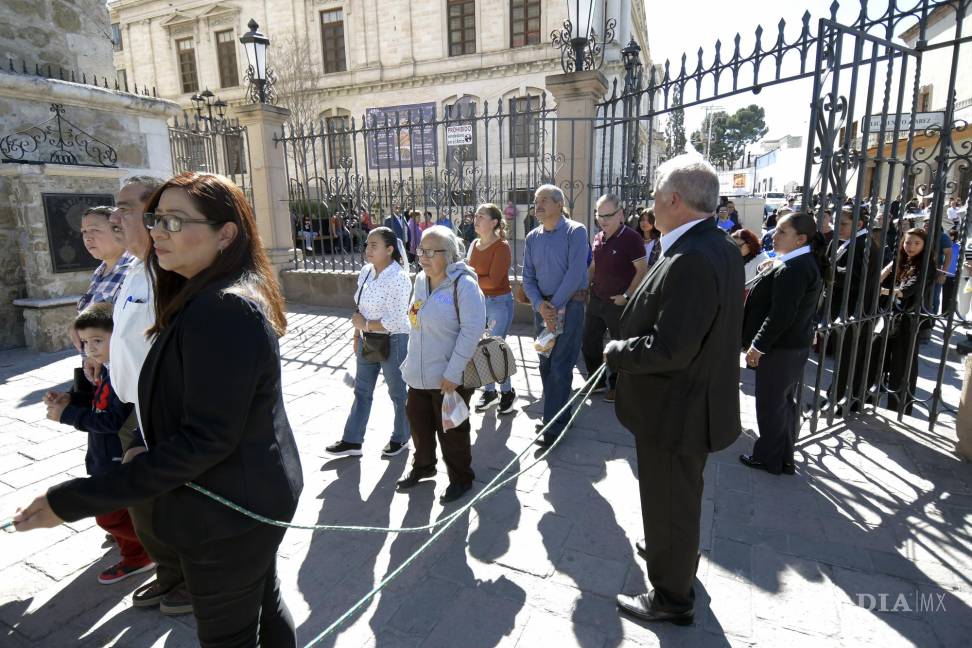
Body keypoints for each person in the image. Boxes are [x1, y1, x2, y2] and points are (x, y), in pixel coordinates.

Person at [14, 172, 304, 647]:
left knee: (229, 633)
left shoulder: (223, 308)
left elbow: (206, 439)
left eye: (173, 220)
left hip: (228, 511)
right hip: (245, 498)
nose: (157, 231)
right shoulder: (196, 292)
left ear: (225, 233)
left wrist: (72, 501)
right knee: (263, 606)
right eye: (154, 219)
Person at [607, 154, 743, 626]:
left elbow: (671, 348)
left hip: (677, 410)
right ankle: (671, 554)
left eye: (655, 196)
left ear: (674, 199)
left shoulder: (692, 256)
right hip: (689, 403)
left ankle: (671, 597)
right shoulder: (716, 245)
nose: (651, 205)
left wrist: (617, 352)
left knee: (672, 500)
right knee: (675, 498)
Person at [106, 176, 193, 616]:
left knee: (174, 503)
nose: (114, 217)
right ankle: (169, 572)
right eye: (113, 208)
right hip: (133, 411)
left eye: (125, 208)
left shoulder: (171, 275)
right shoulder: (135, 268)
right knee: (145, 505)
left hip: (165, 416)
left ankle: (190, 581)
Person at [44, 302, 153, 584]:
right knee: (119, 515)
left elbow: (112, 420)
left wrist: (68, 416)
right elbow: (97, 405)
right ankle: (138, 552)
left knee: (109, 517)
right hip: (102, 456)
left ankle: (154, 549)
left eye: (97, 340)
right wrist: (71, 399)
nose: (90, 348)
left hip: (118, 459)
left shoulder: (121, 373)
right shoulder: (104, 368)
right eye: (84, 343)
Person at [398, 225, 486, 503]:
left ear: (448, 255)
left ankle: (461, 478)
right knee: (419, 426)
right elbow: (415, 318)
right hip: (419, 376)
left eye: (429, 251)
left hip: (449, 378)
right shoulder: (421, 281)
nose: (421, 256)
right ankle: (423, 467)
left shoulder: (464, 285)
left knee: (452, 433)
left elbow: (471, 331)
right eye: (420, 250)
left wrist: (453, 373)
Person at [739, 213, 826, 475]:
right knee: (781, 404)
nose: (773, 236)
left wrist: (757, 346)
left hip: (781, 348)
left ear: (800, 239)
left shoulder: (795, 268)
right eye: (775, 230)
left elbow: (781, 316)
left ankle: (769, 459)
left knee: (771, 406)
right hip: (790, 347)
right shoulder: (795, 261)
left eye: (781, 232)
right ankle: (782, 457)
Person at [326, 227, 413, 458]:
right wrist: (357, 334)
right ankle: (352, 440)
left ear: (390, 249)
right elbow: (360, 307)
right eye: (367, 244)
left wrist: (364, 325)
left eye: (374, 245)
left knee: (398, 392)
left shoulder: (399, 278)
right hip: (367, 339)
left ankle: (402, 436)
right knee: (362, 391)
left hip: (393, 340)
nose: (368, 249)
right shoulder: (365, 271)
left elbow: (395, 320)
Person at [521, 185, 589, 446]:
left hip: (569, 307)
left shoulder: (576, 231)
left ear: (560, 204)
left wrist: (555, 307)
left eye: (545, 200)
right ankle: (560, 414)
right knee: (546, 364)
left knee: (560, 365)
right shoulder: (532, 237)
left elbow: (575, 273)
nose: (538, 205)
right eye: (536, 200)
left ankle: (552, 425)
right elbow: (528, 277)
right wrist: (540, 305)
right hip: (543, 311)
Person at [582, 194, 648, 402]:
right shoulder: (598, 237)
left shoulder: (632, 238)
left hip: (619, 303)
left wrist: (627, 296)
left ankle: (618, 385)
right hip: (596, 299)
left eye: (608, 215)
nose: (603, 220)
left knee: (619, 345)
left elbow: (642, 270)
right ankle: (597, 381)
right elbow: (593, 267)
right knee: (588, 341)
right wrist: (584, 287)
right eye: (599, 215)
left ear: (620, 214)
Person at [819, 205, 881, 413]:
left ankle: (839, 400)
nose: (838, 227)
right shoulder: (849, 241)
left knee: (849, 357)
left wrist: (829, 275)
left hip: (856, 310)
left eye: (843, 224)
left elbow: (855, 281)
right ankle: (845, 397)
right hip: (844, 309)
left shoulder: (864, 245)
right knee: (846, 356)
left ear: (859, 224)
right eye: (836, 222)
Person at [469, 203, 517, 415]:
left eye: (481, 216)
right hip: (479, 303)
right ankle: (490, 393)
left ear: (494, 222)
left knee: (494, 349)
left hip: (499, 303)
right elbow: (478, 279)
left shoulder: (502, 247)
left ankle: (506, 392)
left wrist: (470, 278)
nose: (476, 219)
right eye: (476, 216)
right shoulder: (475, 244)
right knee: (481, 349)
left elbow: (494, 281)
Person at [880, 228, 935, 414]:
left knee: (903, 366)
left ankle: (899, 408)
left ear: (925, 246)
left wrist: (881, 290)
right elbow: (882, 275)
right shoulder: (903, 260)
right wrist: (890, 267)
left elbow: (907, 291)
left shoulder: (927, 265)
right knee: (879, 359)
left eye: (916, 243)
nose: (910, 246)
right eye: (907, 242)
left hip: (910, 320)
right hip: (892, 316)